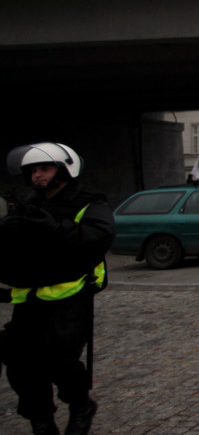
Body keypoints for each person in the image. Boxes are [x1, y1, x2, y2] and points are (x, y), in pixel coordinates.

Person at [1, 143, 114, 435]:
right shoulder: (28, 203)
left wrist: (56, 228)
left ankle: (80, 405)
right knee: (20, 364)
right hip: (28, 295)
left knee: (59, 360)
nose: (37, 176)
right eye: (33, 171)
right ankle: (41, 420)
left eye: (44, 169)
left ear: (64, 169)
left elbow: (100, 238)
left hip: (70, 294)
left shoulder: (89, 202)